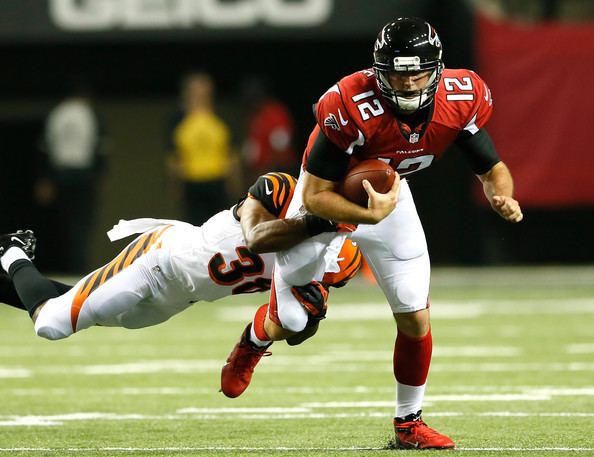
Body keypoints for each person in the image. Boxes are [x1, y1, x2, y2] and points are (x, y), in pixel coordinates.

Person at [221, 17, 523, 450]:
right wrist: (366, 215)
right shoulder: (350, 103)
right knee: (293, 320)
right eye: (397, 74)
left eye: (417, 72)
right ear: (380, 72)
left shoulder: (462, 96)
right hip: (328, 201)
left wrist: (501, 195)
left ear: (437, 68)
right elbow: (316, 193)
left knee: (415, 313)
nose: (407, 83)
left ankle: (408, 423)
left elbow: (492, 167)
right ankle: (254, 339)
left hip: (389, 197)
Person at [0, 172, 360, 342]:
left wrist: (313, 319)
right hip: (158, 260)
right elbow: (256, 237)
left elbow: (291, 330)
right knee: (51, 323)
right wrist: (315, 224)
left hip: (176, 301)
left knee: (74, 305)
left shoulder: (341, 257)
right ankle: (14, 250)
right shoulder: (281, 191)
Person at [36, 83, 107, 273]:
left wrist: (46, 179)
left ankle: (65, 267)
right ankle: (78, 268)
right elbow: (100, 148)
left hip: (61, 173)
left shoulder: (57, 113)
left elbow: (45, 148)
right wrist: (99, 177)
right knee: (82, 224)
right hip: (83, 173)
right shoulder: (89, 113)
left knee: (63, 224)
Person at [167, 72, 237, 226]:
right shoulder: (178, 123)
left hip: (216, 181)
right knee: (195, 228)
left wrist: (232, 182)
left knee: (221, 227)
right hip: (192, 183)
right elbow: (175, 158)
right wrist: (175, 184)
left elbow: (230, 155)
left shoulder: (220, 120)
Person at [240, 76, 298, 184]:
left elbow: (281, 149)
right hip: (260, 175)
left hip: (280, 173)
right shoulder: (254, 115)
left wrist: (265, 173)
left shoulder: (275, 113)